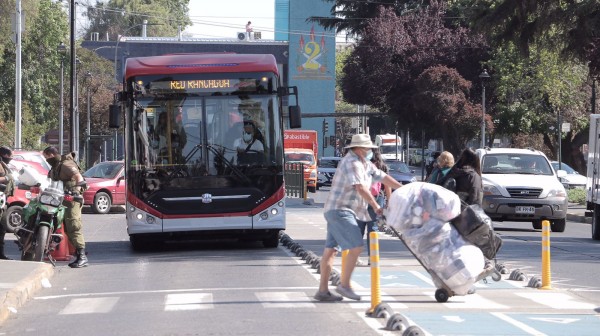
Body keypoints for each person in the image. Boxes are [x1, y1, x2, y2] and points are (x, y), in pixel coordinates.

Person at [314, 134, 402, 302]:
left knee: (330, 251)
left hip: (336, 210)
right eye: (368, 148)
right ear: (359, 149)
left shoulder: (364, 163)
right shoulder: (352, 163)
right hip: (341, 210)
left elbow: (382, 176)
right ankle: (344, 285)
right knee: (356, 246)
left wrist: (403, 189)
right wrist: (376, 206)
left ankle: (323, 291)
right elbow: (360, 187)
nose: (370, 151)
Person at [42, 146, 89, 268]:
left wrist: (76, 191)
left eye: (46, 157)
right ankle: (78, 254)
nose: (45, 159)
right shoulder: (55, 167)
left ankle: (83, 257)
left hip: (72, 199)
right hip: (60, 200)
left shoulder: (65, 164)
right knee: (67, 228)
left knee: (73, 226)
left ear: (51, 154)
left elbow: (78, 177)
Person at [357, 149, 392, 266]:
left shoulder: (361, 165)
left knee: (359, 229)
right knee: (373, 229)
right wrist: (389, 201)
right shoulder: (383, 167)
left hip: (362, 199)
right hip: (378, 198)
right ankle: (372, 258)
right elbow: (387, 185)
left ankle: (355, 257)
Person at [0, 146, 15, 259]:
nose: (11, 158)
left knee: (1, 228)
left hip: (3, 199)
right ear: (4, 155)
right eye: (10, 156)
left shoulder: (3, 164)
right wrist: (6, 177)